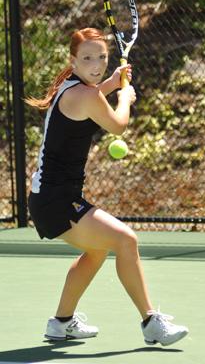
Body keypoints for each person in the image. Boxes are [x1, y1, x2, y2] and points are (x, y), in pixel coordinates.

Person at [27, 27, 188, 346]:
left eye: (101, 57)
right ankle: (151, 322)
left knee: (97, 252)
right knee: (126, 241)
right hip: (55, 200)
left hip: (51, 197)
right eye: (87, 58)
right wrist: (124, 96)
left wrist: (111, 83)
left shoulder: (73, 88)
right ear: (73, 62)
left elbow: (90, 99)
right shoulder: (86, 94)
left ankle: (61, 323)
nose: (96, 64)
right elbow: (118, 125)